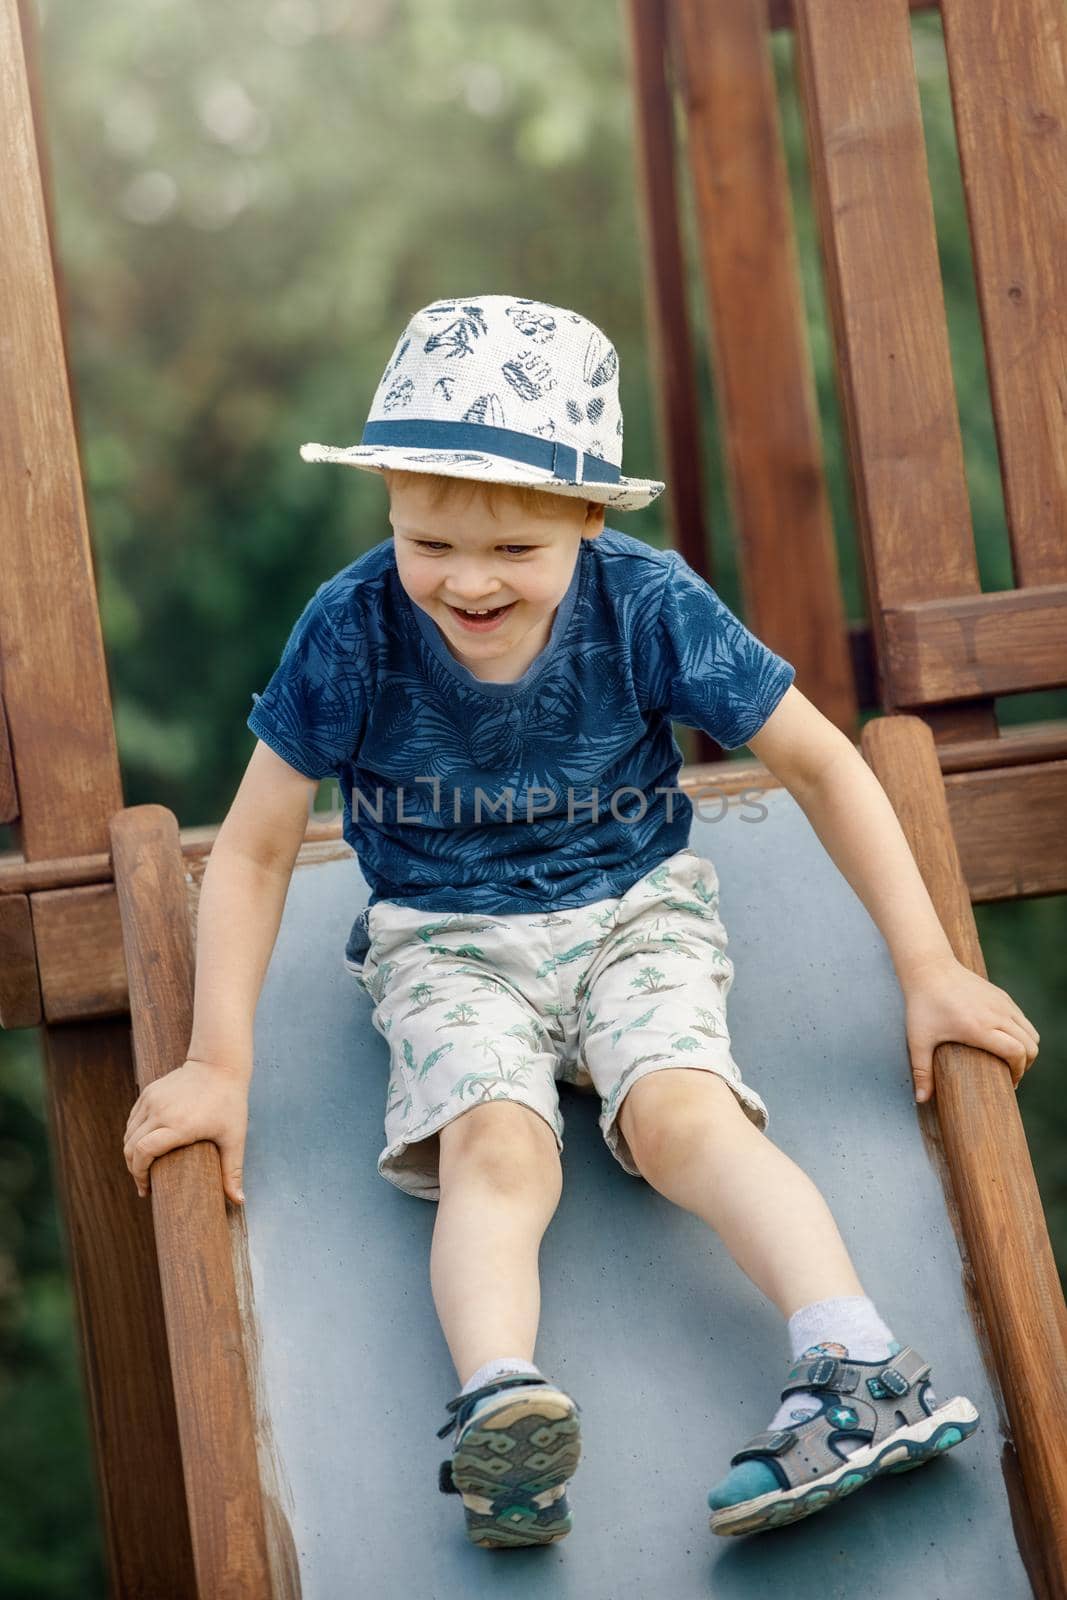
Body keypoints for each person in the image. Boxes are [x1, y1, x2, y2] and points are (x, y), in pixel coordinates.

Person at [122, 294, 1039, 1546]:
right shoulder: (350, 628)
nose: (465, 579)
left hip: (631, 913)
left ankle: (856, 1364)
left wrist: (927, 964)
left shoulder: (645, 602)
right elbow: (258, 845)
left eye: (512, 549)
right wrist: (218, 1062)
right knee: (495, 1151)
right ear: (387, 499)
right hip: (444, 940)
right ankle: (502, 1414)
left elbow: (823, 764)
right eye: (428, 538)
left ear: (587, 520)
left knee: (680, 1115)